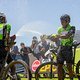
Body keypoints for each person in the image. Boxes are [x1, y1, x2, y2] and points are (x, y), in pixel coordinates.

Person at [51, 14, 75, 80]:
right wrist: (51, 38)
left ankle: (71, 78)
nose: (61, 22)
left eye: (63, 21)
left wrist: (58, 36)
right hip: (61, 48)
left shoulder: (72, 28)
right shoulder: (59, 29)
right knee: (59, 66)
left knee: (69, 67)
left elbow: (67, 36)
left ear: (67, 21)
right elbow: (56, 39)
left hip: (68, 49)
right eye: (61, 21)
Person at [0, 12, 16, 79]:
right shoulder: (7, 25)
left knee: (1, 64)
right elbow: (6, 37)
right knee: (11, 62)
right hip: (3, 46)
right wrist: (7, 45)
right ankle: (14, 75)